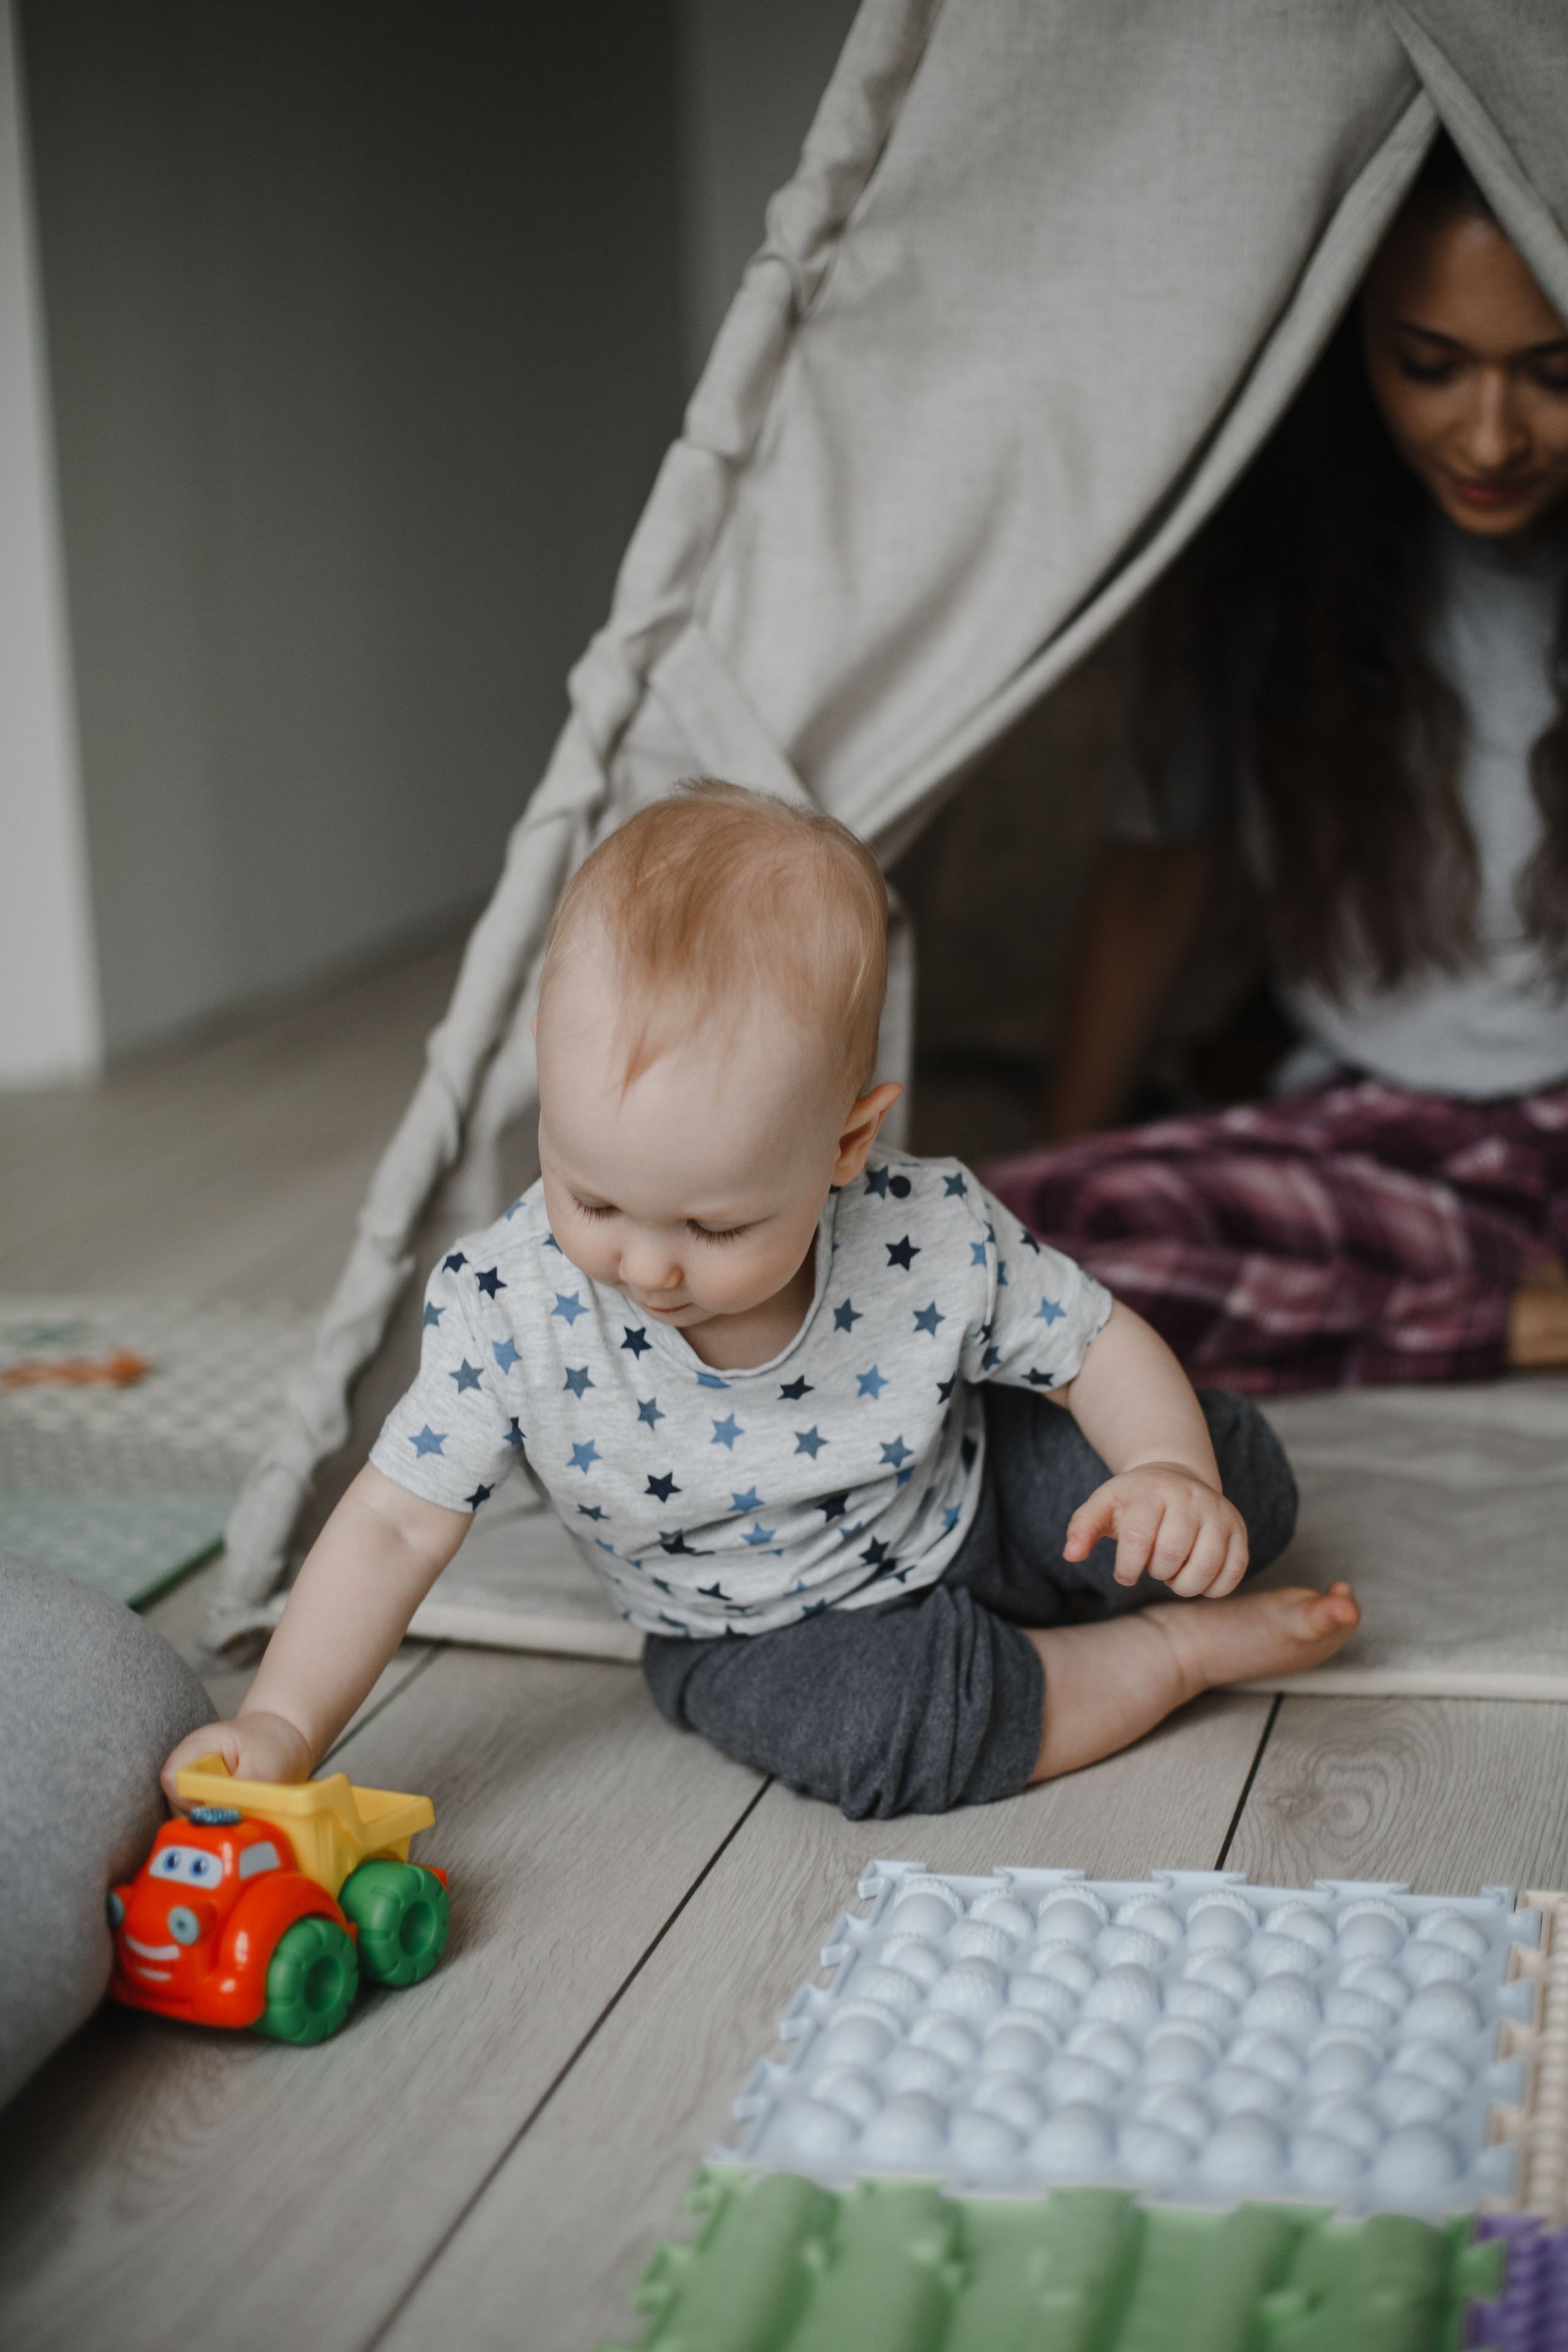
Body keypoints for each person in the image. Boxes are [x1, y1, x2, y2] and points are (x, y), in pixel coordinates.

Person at [162, 784, 1355, 1821]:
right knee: (888, 1731)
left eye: (714, 1227)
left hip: (969, 1497)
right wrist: (282, 1721)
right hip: (754, 1632)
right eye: (591, 1197)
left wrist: (1166, 1471)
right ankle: (1166, 1657)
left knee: (1234, 1476)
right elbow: (391, 1526)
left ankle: (1114, 1568)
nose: (645, 1267)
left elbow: (1095, 1345)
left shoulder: (926, 1228)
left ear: (844, 1143)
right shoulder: (507, 1306)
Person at [987, 133, 1568, 1395]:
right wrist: (1040, 1204)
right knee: (996, 1265)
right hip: (1379, 1141)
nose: (1488, 437)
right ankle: (1514, 1324)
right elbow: (1156, 880)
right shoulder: (1267, 569)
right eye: (1430, 367)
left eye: (1554, 375)